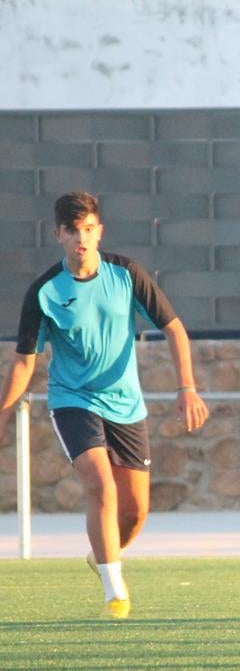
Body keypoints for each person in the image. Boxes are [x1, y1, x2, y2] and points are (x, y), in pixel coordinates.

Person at [0, 191, 209, 619]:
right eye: (73, 230)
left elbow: (174, 329)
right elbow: (24, 361)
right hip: (73, 401)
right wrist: (3, 413)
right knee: (100, 485)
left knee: (134, 513)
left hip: (126, 404)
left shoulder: (126, 274)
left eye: (89, 229)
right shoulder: (44, 292)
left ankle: (101, 556)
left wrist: (186, 387)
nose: (82, 238)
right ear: (58, 234)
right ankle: (115, 592)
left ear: (100, 232)